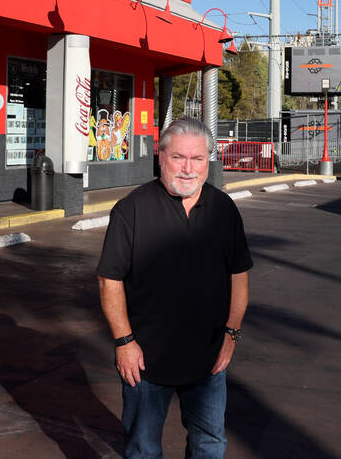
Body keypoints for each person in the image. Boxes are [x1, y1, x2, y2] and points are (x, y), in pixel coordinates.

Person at [97, 116, 253, 458]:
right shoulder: (131, 210)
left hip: (208, 359)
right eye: (178, 157)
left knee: (209, 443)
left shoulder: (223, 209)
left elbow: (239, 274)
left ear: (208, 162)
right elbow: (110, 278)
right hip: (145, 362)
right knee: (142, 449)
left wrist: (232, 334)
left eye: (197, 159)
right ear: (161, 157)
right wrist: (124, 342)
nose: (188, 168)